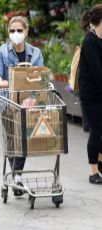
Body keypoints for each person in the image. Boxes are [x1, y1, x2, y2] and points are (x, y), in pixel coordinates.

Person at [0, 16, 43, 195]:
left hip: (27, 101)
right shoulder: (2, 52)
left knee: (24, 138)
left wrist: (34, 98)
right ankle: (17, 175)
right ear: (8, 33)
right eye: (12, 31)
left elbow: (39, 78)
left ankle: (17, 175)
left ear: (26, 32)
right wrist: (0, 82)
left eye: (19, 30)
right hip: (7, 100)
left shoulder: (35, 54)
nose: (16, 34)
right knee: (12, 138)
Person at [78, 4, 102, 184]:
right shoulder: (89, 41)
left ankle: (100, 163)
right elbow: (97, 73)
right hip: (92, 95)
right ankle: (93, 171)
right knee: (96, 131)